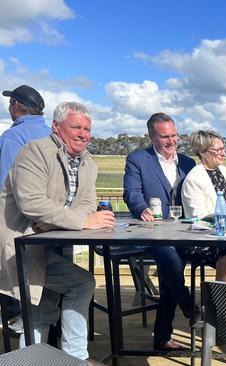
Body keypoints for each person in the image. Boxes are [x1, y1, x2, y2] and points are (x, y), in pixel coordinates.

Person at [0, 102, 115, 366]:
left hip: (50, 241)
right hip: (22, 245)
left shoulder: (87, 162)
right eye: (76, 127)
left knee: (44, 304)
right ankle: (74, 357)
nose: (83, 134)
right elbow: (31, 203)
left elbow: (86, 203)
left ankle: (52, 359)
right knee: (77, 285)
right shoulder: (35, 152)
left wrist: (55, 223)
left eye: (87, 129)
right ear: (56, 127)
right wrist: (82, 221)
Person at [123, 112, 196, 350]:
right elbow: (131, 192)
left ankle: (162, 338)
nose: (171, 141)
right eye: (165, 136)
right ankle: (188, 305)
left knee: (169, 273)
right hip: (150, 230)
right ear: (151, 136)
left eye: (174, 135)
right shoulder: (137, 159)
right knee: (172, 263)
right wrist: (141, 207)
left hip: (184, 232)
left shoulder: (188, 163)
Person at [0, 84, 51, 332]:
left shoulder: (12, 138)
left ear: (18, 106)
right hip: (54, 225)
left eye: (10, 103)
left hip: (20, 226)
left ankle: (17, 319)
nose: (9, 108)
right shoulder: (52, 135)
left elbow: (5, 187)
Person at [180, 130, 226, 282]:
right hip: (202, 239)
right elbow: (198, 219)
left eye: (223, 149)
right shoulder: (194, 179)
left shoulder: (224, 171)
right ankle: (219, 295)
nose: (223, 153)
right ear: (203, 152)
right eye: (218, 150)